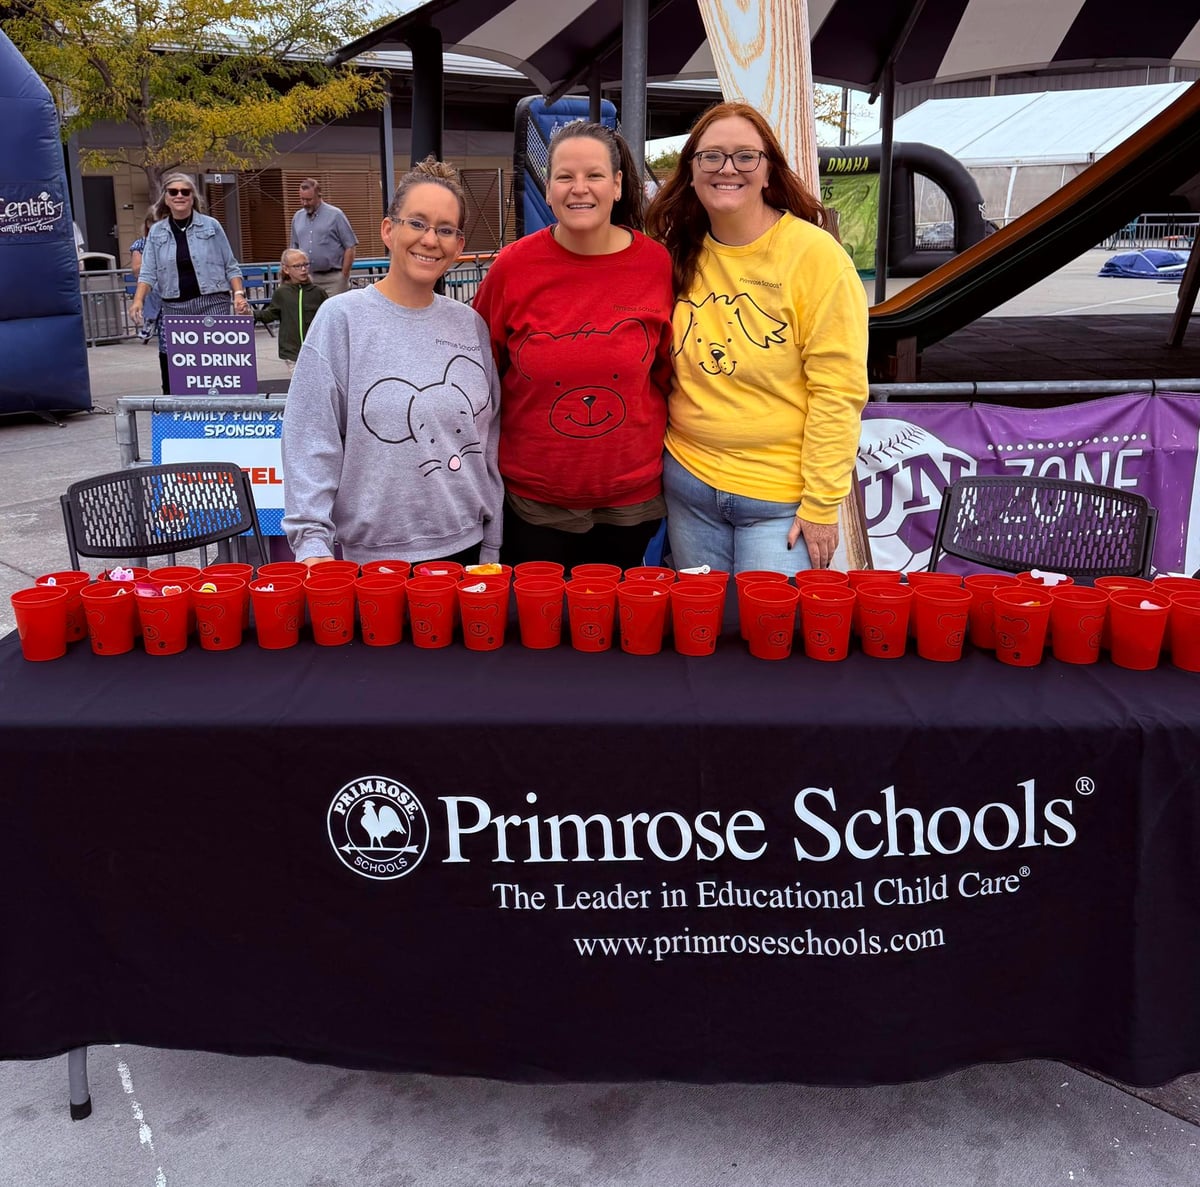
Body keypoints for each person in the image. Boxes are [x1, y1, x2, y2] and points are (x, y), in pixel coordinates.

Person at [645, 101, 869, 574]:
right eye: (712, 156)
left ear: (768, 171)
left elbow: (838, 390)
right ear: (691, 171)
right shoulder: (678, 252)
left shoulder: (814, 256)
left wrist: (822, 504)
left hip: (780, 503)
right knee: (704, 638)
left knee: (774, 641)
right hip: (689, 488)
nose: (728, 168)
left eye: (745, 156)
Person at [282, 158, 502, 569]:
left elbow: (486, 441)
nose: (430, 240)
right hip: (374, 563)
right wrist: (313, 546)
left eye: (445, 229)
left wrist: (493, 541)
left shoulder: (470, 326)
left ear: (458, 244)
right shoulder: (341, 319)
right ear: (389, 229)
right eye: (416, 223)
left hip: (467, 553)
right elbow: (311, 440)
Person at [473, 121, 674, 569]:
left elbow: (668, 371)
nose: (578, 189)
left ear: (618, 185)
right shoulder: (513, 267)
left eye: (594, 175)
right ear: (547, 189)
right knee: (542, 631)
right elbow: (479, 371)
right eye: (565, 176)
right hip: (534, 501)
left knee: (621, 631)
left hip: (632, 500)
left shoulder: (656, 264)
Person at [128, 173, 249, 395]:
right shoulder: (157, 231)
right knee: (176, 363)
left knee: (217, 363)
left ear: (193, 197)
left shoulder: (211, 226)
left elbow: (230, 265)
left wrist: (238, 294)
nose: (180, 196)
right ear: (165, 198)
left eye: (185, 192)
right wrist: (138, 301)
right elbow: (147, 272)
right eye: (173, 192)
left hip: (213, 302)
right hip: (175, 306)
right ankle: (178, 418)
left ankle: (221, 414)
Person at [254, 249, 327, 372]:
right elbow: (270, 314)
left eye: (305, 265)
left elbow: (328, 317)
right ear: (286, 269)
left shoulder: (318, 292)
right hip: (291, 352)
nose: (303, 269)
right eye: (297, 266)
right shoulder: (282, 293)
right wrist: (250, 314)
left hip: (316, 349)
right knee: (300, 384)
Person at [290, 179, 357, 297]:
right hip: (308, 278)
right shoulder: (297, 217)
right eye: (302, 199)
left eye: (309, 199)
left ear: (318, 196)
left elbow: (350, 246)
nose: (305, 203)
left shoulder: (336, 215)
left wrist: (344, 275)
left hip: (334, 279)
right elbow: (294, 249)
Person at [128, 209, 161, 343]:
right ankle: (150, 319)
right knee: (156, 287)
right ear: (147, 224)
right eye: (154, 222)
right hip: (152, 281)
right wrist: (155, 262)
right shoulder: (140, 244)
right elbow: (137, 270)